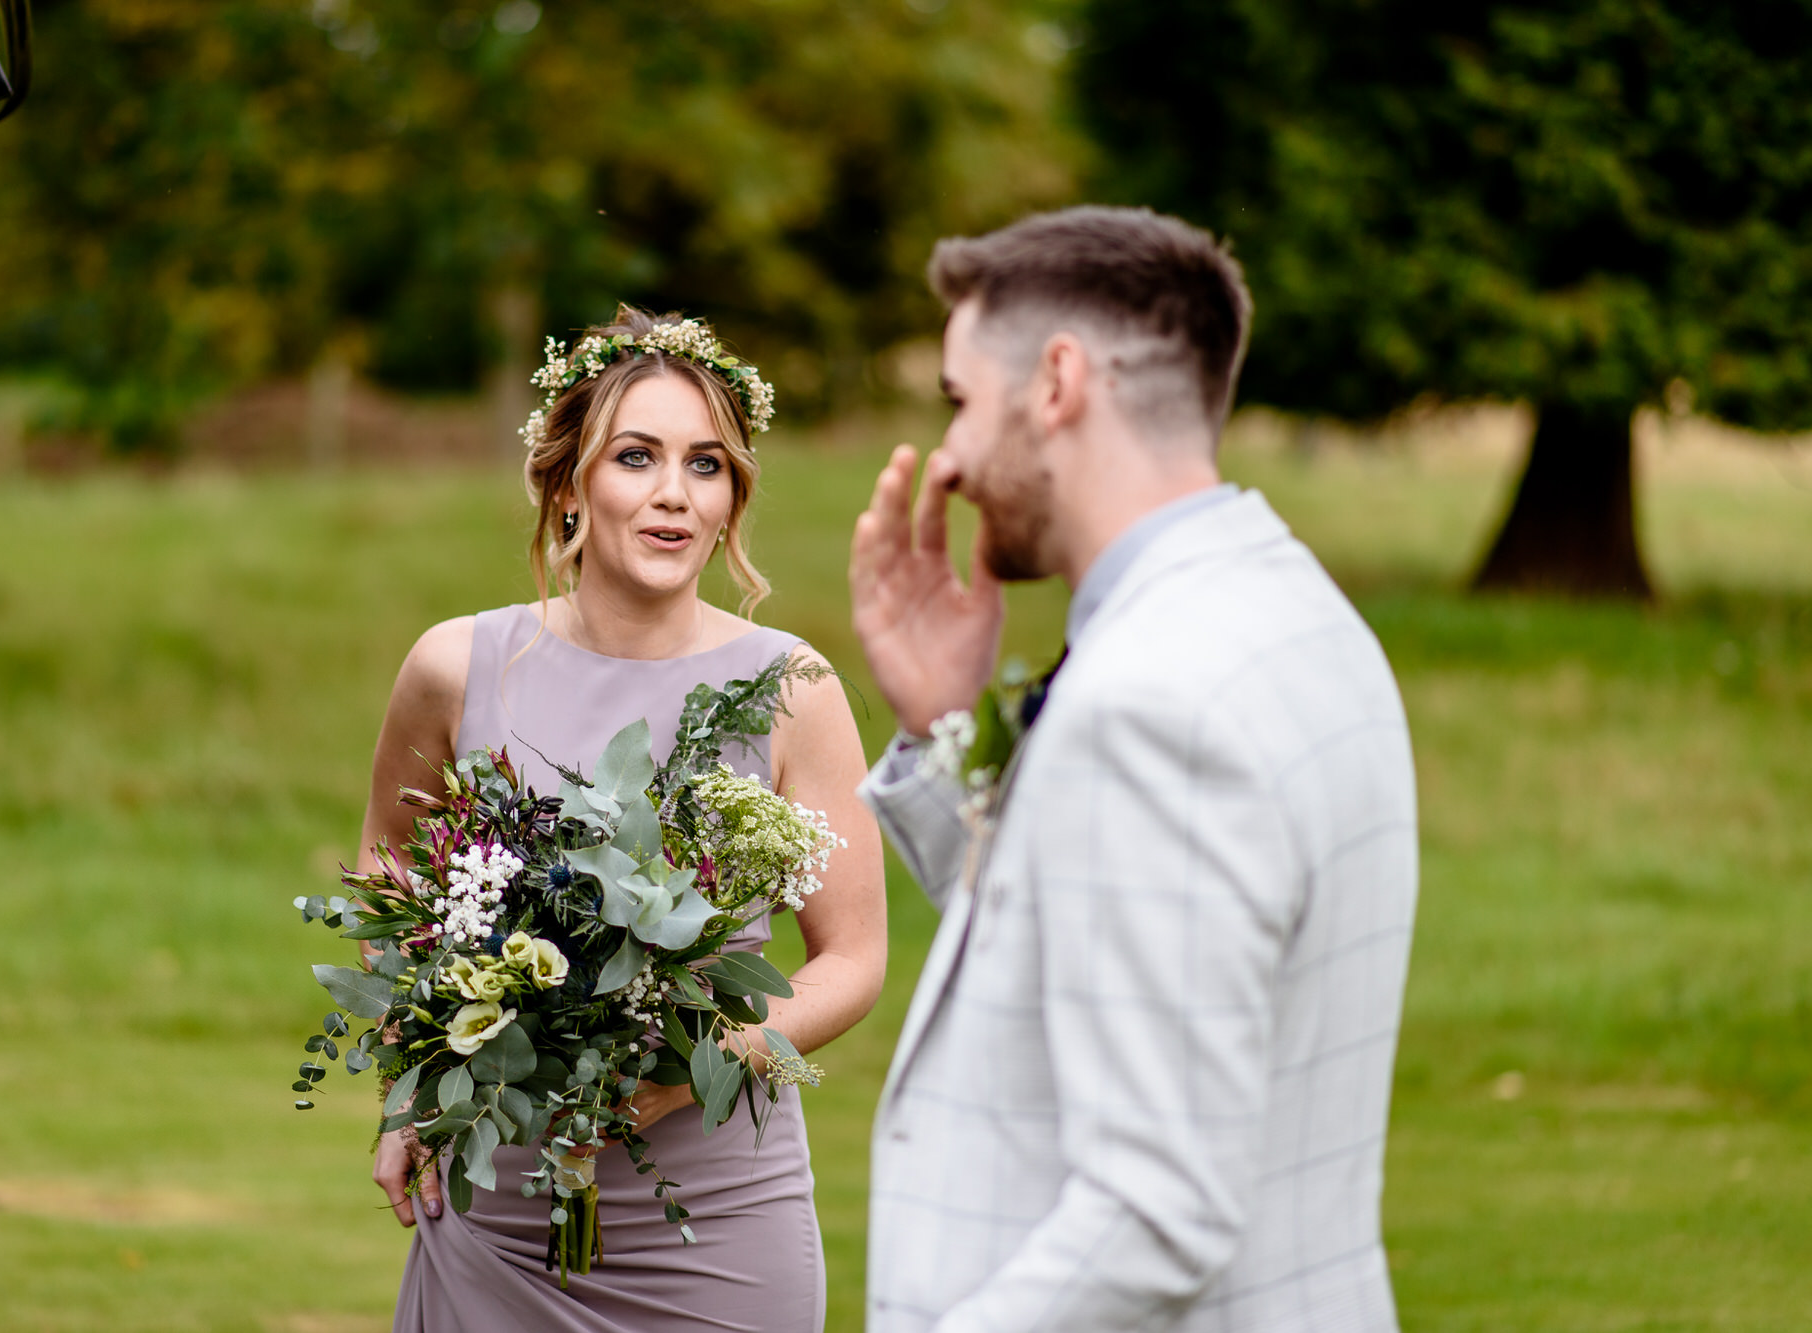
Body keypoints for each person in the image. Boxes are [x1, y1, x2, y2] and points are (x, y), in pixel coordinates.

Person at [849, 207, 1419, 1331]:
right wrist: (946, 731)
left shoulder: (1152, 701)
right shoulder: (1294, 612)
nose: (949, 460)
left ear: (1056, 381)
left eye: (960, 400)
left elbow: (1157, 1210)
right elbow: (1110, 942)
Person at [363, 306, 887, 1333]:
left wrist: (688, 1067)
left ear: (733, 495)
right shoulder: (455, 665)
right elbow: (392, 868)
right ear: (567, 482)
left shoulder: (792, 686)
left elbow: (853, 958)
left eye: (705, 465)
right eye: (635, 456)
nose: (671, 495)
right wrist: (413, 1080)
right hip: (496, 1208)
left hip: (721, 1222)